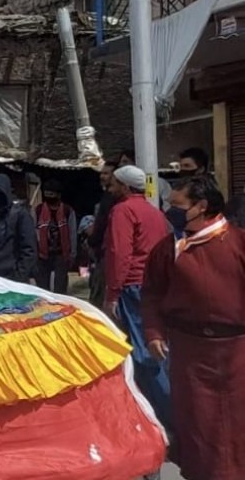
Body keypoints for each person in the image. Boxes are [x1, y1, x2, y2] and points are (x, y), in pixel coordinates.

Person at [143, 176, 245, 480]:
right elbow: (151, 293)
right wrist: (153, 332)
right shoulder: (168, 248)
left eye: (176, 205)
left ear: (201, 206)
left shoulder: (239, 242)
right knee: (198, 427)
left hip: (237, 353)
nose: (168, 210)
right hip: (189, 354)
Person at [104, 164, 172, 429]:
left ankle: (165, 414)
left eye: (114, 183)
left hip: (132, 286)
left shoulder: (122, 211)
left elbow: (120, 253)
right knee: (158, 346)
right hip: (156, 284)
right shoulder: (154, 212)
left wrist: (112, 293)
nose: (110, 187)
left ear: (124, 186)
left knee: (144, 353)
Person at [34, 179, 77, 293]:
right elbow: (34, 232)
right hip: (42, 255)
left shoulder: (67, 211)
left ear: (58, 195)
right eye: (47, 194)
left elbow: (72, 233)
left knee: (60, 287)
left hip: (61, 254)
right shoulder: (38, 210)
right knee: (42, 289)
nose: (49, 197)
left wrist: (72, 254)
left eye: (52, 194)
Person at [87, 161, 117, 308]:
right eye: (102, 173)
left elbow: (102, 224)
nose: (102, 176)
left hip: (106, 253)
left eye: (106, 173)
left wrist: (92, 238)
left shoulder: (112, 200)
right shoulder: (105, 196)